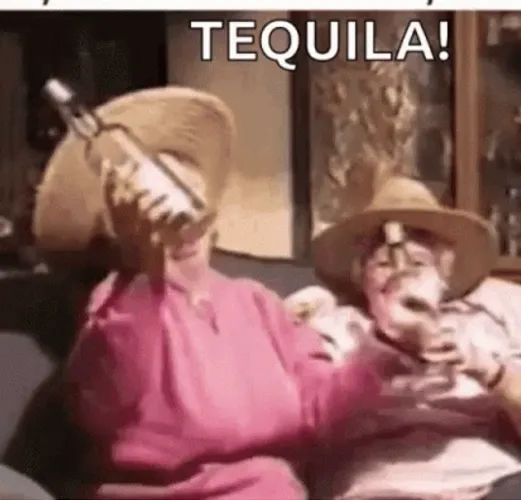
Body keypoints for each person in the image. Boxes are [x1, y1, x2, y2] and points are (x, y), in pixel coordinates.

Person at [31, 88, 419, 500]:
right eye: (153, 199)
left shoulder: (257, 302)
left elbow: (320, 408)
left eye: (184, 189)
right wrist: (143, 265)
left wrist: (394, 342)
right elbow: (114, 402)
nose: (173, 213)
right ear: (120, 224)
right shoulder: (119, 305)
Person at [286, 176, 521, 500]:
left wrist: (483, 367)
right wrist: (385, 348)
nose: (401, 275)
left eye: (419, 263)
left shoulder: (492, 317)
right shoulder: (334, 328)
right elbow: (302, 426)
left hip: (495, 481)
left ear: (444, 274)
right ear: (362, 277)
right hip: (380, 488)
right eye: (383, 264)